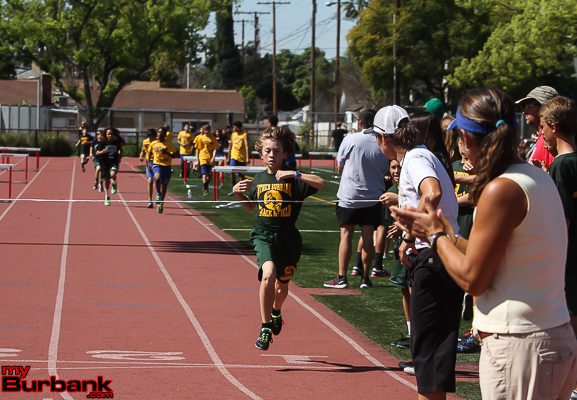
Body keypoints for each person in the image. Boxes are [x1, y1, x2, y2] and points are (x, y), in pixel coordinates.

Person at [392, 87, 577, 400]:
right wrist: (446, 234)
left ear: (466, 138)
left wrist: (435, 235)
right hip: (552, 338)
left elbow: (473, 278)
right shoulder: (536, 177)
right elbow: (498, 258)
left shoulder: (501, 189)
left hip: (519, 345)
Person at [374, 106, 462, 399]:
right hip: (440, 253)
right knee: (434, 352)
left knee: (427, 352)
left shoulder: (414, 158)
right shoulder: (420, 155)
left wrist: (412, 232)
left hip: (434, 256)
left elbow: (432, 192)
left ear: (383, 138)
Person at [232, 126, 325, 351]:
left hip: (288, 238)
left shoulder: (293, 178)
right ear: (261, 154)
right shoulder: (258, 178)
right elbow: (250, 207)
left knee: (282, 286)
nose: (272, 155)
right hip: (263, 235)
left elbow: (321, 183)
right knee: (268, 274)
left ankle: (276, 311)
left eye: (276, 151)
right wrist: (237, 193)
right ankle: (265, 328)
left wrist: (296, 174)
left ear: (285, 154)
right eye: (268, 151)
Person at [324, 108, 388, 290]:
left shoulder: (351, 139)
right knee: (368, 237)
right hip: (372, 197)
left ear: (360, 121)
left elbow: (340, 166)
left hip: (349, 196)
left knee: (346, 235)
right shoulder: (381, 142)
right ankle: (366, 278)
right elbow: (386, 169)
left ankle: (342, 277)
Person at [540, 96, 577, 338]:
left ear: (554, 127)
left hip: (568, 261)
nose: (541, 134)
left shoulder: (561, 165)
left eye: (542, 127)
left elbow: (562, 220)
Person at [516, 85, 558, 170]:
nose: (524, 112)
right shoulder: (542, 138)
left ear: (545, 108)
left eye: (529, 106)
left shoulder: (551, 142)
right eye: (523, 107)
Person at [150, 126, 177, 214]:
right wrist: (148, 163)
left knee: (164, 186)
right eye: (158, 132)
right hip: (157, 164)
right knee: (157, 178)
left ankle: (161, 203)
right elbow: (149, 153)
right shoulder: (153, 143)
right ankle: (158, 193)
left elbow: (174, 155)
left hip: (167, 166)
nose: (159, 134)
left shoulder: (168, 144)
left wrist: (167, 153)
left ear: (164, 134)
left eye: (161, 133)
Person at [193, 125, 217, 196]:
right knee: (204, 174)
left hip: (210, 158)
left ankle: (206, 185)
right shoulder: (200, 138)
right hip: (203, 157)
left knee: (208, 175)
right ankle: (205, 188)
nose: (206, 131)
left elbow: (215, 148)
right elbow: (198, 149)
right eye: (205, 130)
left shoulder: (213, 138)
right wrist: (197, 160)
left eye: (207, 130)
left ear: (210, 130)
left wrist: (213, 157)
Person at [228, 121, 249, 190]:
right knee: (232, 171)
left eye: (234, 127)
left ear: (238, 127)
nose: (233, 128)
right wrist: (228, 156)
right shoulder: (233, 134)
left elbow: (246, 146)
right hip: (233, 156)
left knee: (242, 174)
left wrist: (247, 157)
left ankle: (241, 188)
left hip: (242, 157)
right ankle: (234, 187)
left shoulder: (244, 135)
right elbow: (230, 146)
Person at [139, 129, 158, 209]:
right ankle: (150, 200)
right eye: (150, 137)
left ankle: (158, 195)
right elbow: (143, 151)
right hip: (149, 163)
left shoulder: (157, 142)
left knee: (157, 180)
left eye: (153, 137)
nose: (151, 139)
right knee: (150, 181)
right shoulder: (145, 142)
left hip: (157, 162)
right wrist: (141, 156)